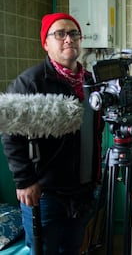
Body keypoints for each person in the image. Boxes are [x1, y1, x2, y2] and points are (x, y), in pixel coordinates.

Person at [1, 13, 103, 254]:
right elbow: (10, 134)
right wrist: (25, 180)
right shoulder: (30, 82)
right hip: (44, 194)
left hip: (82, 190)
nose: (68, 39)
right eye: (60, 34)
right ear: (46, 43)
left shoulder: (91, 82)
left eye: (74, 33)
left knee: (73, 248)